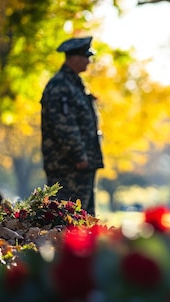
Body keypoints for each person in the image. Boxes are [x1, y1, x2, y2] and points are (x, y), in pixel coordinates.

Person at [40, 36, 104, 216]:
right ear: (74, 59)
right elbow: (64, 125)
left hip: (81, 164)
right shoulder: (60, 86)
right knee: (67, 218)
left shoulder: (75, 84)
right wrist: (78, 155)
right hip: (68, 166)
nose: (89, 61)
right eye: (86, 56)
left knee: (85, 217)